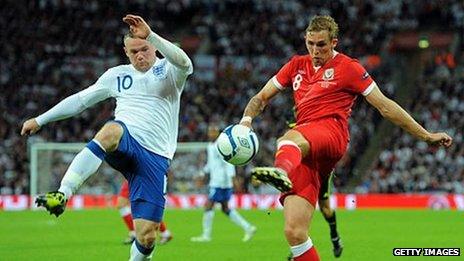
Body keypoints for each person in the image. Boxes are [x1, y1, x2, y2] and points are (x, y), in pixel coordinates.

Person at [239, 15, 452, 261]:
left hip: (331, 133)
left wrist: (426, 135)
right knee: (295, 232)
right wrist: (246, 123)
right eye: (310, 43)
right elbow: (261, 97)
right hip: (307, 153)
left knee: (286, 140)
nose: (315, 50)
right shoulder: (296, 65)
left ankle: (281, 171)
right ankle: (285, 173)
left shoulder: (349, 68)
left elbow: (384, 106)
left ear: (334, 42)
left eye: (321, 44)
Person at [21, 14, 193, 260]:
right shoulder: (116, 75)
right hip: (126, 141)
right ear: (126, 53)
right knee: (112, 130)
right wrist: (40, 119)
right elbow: (80, 101)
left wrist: (151, 34)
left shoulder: (169, 70)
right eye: (134, 52)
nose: (140, 55)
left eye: (145, 49)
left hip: (155, 158)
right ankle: (63, 193)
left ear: (154, 47)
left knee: (147, 237)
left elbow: (186, 63)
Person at [190, 126, 257, 243]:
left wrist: (233, 179)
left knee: (208, 206)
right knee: (225, 209)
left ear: (218, 133)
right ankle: (248, 227)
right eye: (209, 131)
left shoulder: (221, 145)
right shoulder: (210, 146)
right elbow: (210, 164)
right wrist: (202, 173)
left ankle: (206, 236)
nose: (210, 133)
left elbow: (228, 163)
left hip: (220, 183)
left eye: (213, 131)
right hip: (217, 182)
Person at [117, 180, 173, 245]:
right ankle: (165, 233)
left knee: (125, 205)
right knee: (128, 205)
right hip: (133, 177)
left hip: (139, 176)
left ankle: (135, 234)